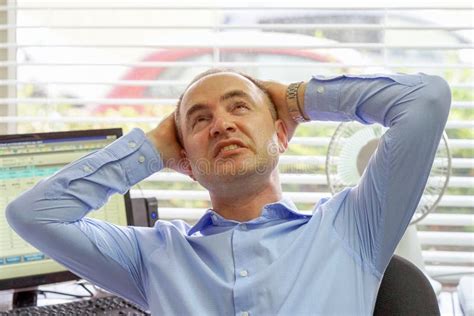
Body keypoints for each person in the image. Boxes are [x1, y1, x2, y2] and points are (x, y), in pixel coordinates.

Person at [6, 68, 451, 315]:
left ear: (280, 136)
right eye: (199, 121)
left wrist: (298, 99)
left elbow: (426, 100)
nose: (221, 124)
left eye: (240, 106)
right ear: (187, 164)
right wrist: (152, 148)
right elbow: (33, 214)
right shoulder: (156, 257)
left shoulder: (353, 228)